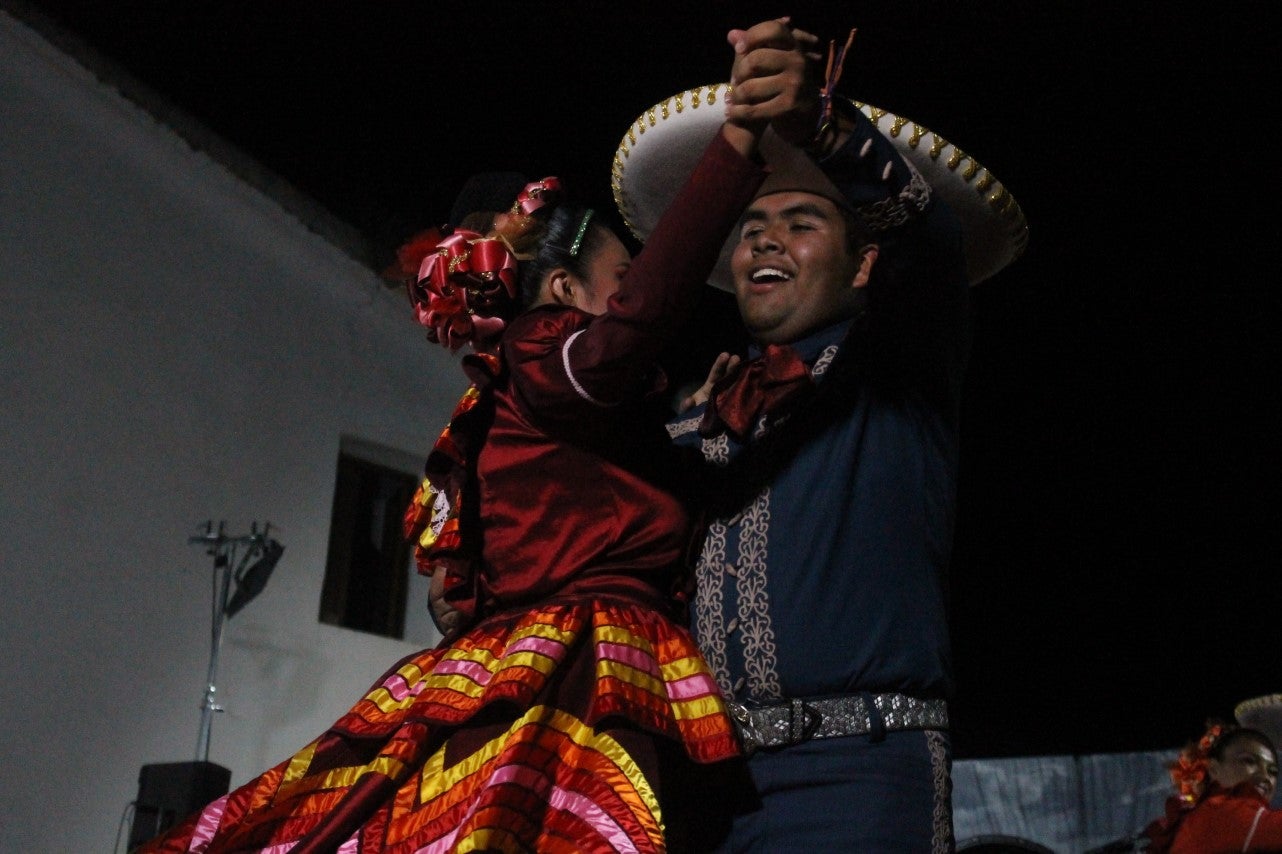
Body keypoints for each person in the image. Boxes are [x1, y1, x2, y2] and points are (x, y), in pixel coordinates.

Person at [135, 21, 817, 854]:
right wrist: (737, 141)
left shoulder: (539, 409)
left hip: (557, 662)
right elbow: (629, 336)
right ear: (564, 291)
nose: (642, 297)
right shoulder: (543, 352)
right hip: (580, 675)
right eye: (623, 280)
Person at [616, 18, 1024, 850]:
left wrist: (825, 130)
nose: (765, 237)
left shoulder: (899, 369)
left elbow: (928, 240)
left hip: (861, 771)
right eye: (749, 228)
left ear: (865, 264)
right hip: (711, 788)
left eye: (803, 221)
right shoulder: (696, 418)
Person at [1143, 720, 1282, 852]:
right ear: (1213, 769)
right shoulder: (1224, 814)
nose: (1265, 776)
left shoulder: (1195, 819)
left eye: (1273, 771)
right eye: (1249, 761)